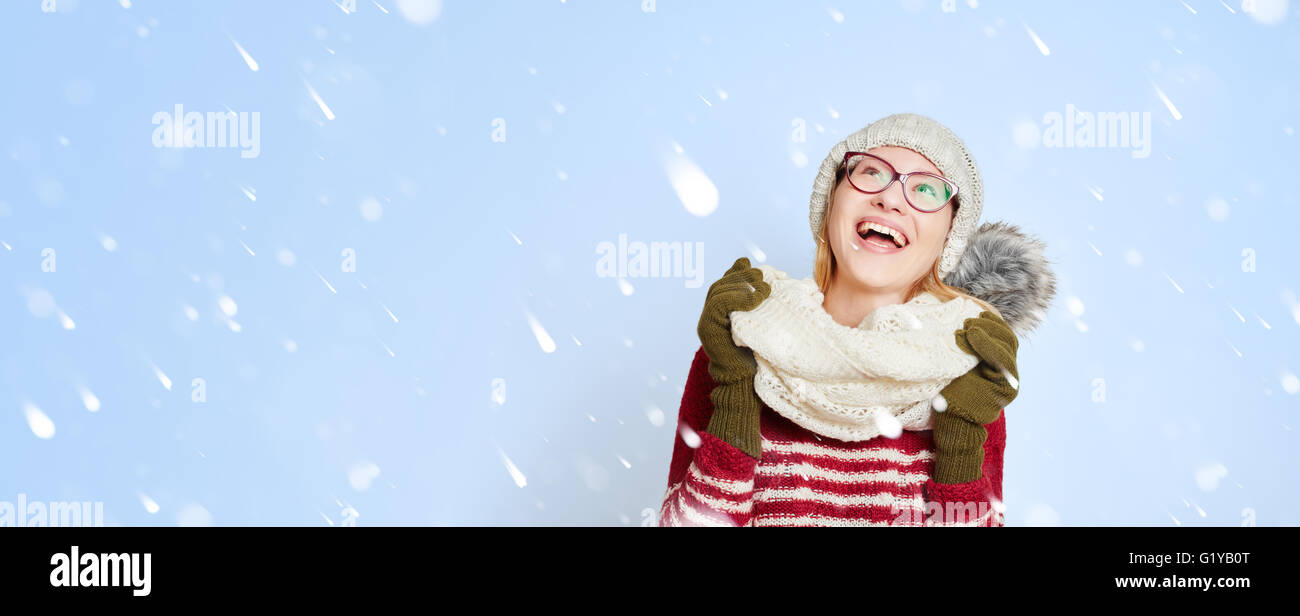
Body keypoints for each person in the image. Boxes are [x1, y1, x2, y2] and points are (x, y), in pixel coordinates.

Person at [658, 113, 1055, 526]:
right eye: (871, 172)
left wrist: (959, 447)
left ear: (948, 237)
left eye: (924, 188)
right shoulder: (739, 346)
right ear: (830, 202)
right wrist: (737, 400)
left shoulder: (967, 374)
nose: (891, 199)